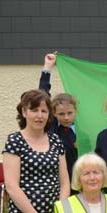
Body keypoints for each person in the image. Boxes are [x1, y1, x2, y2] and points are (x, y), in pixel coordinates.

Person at [38, 53, 78, 185]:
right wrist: (47, 68)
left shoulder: (82, 131)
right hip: (54, 181)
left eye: (69, 113)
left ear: (76, 112)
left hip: (78, 182)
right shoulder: (51, 127)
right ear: (53, 113)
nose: (66, 117)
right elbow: (42, 96)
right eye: (61, 114)